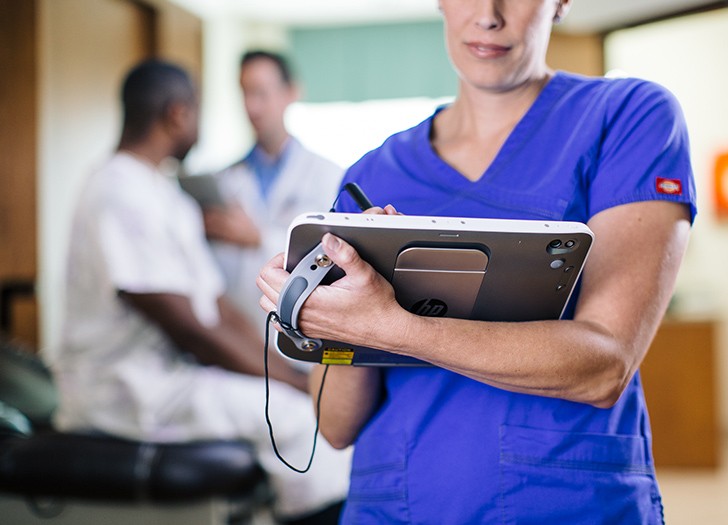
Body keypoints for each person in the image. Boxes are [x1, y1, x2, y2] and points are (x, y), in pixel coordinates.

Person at [257, 0, 697, 523]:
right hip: (398, 504)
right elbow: (334, 427)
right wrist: (337, 320)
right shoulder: (370, 174)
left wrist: (392, 327)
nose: (489, 14)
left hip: (560, 502)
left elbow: (604, 367)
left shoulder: (628, 117)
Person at [51, 59, 349, 525]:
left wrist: (285, 374)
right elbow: (188, 326)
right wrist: (287, 385)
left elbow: (217, 309)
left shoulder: (161, 191)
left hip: (166, 375)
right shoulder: (118, 189)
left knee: (297, 403)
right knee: (295, 421)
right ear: (178, 114)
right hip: (122, 387)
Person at [204, 50, 344, 328]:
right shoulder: (225, 179)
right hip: (240, 328)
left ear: (291, 92)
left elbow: (333, 255)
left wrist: (258, 237)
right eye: (245, 93)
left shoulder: (327, 176)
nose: (252, 107)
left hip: (300, 326)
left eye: (261, 93)